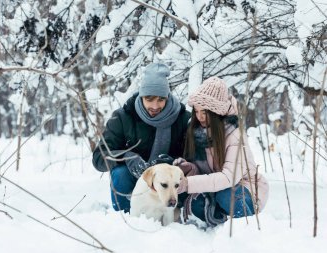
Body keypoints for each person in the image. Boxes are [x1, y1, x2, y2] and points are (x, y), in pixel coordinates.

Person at [92, 63, 191, 213]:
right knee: (120, 173)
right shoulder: (123, 117)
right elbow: (99, 158)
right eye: (149, 99)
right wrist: (125, 156)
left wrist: (171, 163)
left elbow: (193, 156)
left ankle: (176, 216)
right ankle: (126, 216)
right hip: (132, 179)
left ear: (167, 97)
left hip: (168, 184)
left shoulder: (183, 118)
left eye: (161, 100)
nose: (155, 106)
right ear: (141, 96)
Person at [175, 76, 269, 226]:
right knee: (195, 201)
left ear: (216, 112)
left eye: (205, 112)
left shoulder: (235, 135)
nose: (199, 117)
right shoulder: (196, 132)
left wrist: (188, 183)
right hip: (215, 189)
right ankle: (220, 221)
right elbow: (205, 170)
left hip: (243, 188)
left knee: (227, 196)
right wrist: (189, 168)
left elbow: (228, 178)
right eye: (197, 111)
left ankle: (246, 227)